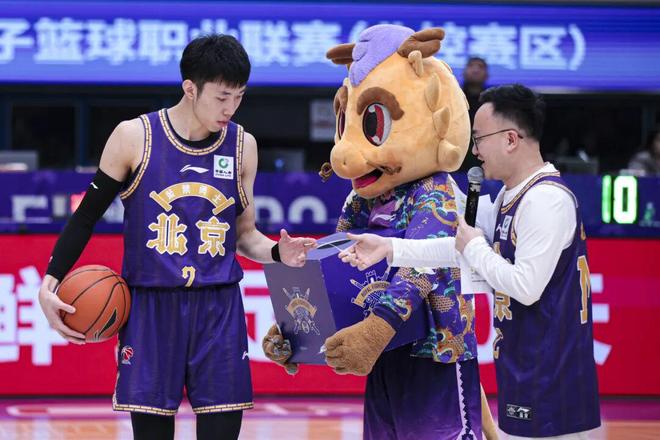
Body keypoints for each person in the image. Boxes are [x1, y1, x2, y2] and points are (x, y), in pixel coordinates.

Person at [37, 34, 316, 440]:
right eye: (222, 97)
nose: (231, 108)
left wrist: (277, 252)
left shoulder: (243, 146)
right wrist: (50, 282)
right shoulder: (134, 137)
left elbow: (243, 236)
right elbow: (86, 217)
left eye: (239, 96)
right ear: (190, 88)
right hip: (151, 307)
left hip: (218, 308)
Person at [340, 84, 601, 439]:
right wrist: (389, 247)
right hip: (523, 363)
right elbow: (459, 248)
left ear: (511, 139)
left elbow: (525, 286)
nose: (475, 151)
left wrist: (476, 246)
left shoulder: (546, 200)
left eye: (479, 139)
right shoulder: (510, 196)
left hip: (554, 374)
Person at [460, 56, 489, 172]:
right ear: (463, 72)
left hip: (484, 160)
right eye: (471, 66)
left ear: (487, 75)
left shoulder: (492, 101)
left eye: (480, 67)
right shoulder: (454, 97)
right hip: (458, 155)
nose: (476, 70)